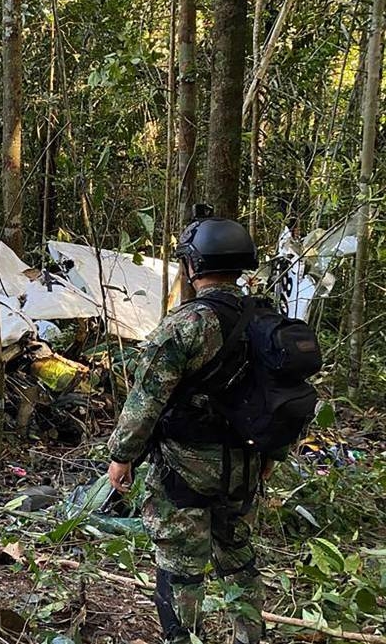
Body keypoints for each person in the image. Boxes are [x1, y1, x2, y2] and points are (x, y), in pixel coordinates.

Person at [106, 217, 279, 644]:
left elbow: (145, 400)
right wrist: (272, 456)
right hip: (246, 464)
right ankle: (249, 636)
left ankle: (183, 639)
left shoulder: (186, 326)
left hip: (185, 468)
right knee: (237, 556)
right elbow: (282, 396)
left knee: (181, 566)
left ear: (193, 266)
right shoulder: (266, 320)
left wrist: (122, 456)